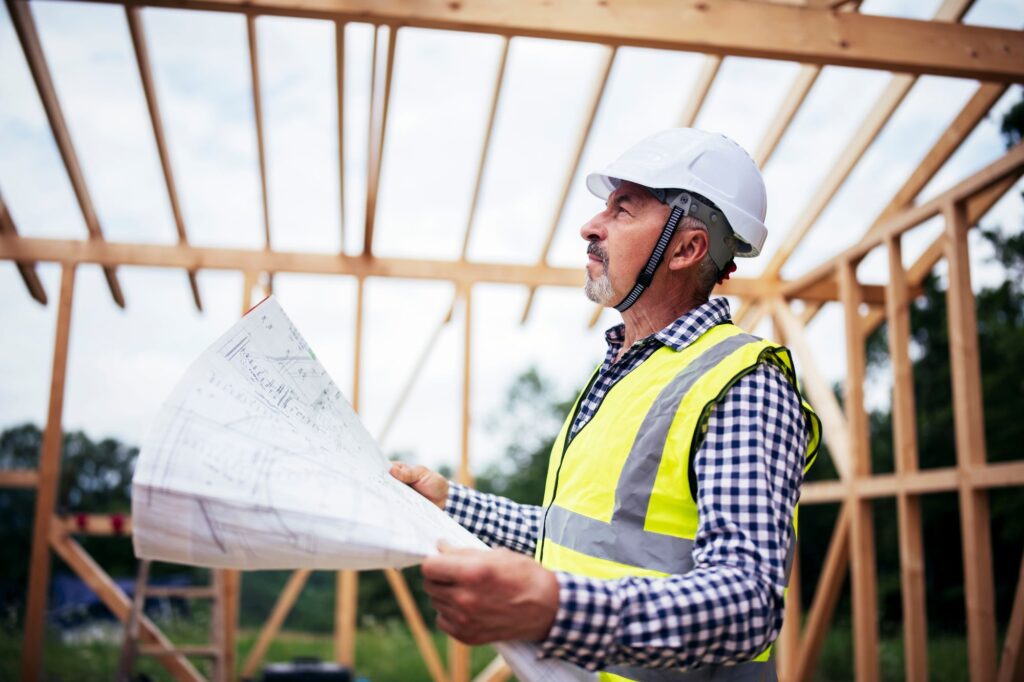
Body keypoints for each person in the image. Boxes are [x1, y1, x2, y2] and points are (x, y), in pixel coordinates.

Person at [390, 128, 820, 681]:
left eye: (624, 209)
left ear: (687, 249)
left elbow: (747, 603)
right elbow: (573, 539)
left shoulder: (742, 382)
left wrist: (556, 609)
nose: (591, 226)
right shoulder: (622, 373)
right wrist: (449, 501)